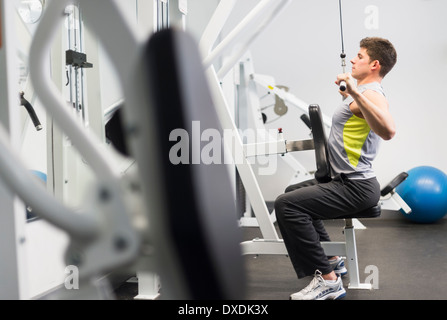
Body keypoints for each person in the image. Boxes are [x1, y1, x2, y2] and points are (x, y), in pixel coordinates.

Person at [274, 37, 397, 300]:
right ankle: (332, 259)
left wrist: (353, 92)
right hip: (344, 181)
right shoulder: (362, 95)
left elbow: (388, 130)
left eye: (360, 56)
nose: (353, 59)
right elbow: (360, 115)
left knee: (287, 205)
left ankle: (328, 281)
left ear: (375, 64)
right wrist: (350, 94)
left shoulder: (372, 94)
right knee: (293, 192)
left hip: (355, 187)